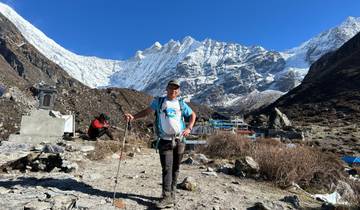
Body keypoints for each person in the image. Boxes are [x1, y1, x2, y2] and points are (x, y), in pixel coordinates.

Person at [124, 79, 196, 208]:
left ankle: (172, 194)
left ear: (178, 91)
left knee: (175, 168)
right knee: (167, 168)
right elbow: (147, 111)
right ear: (166, 89)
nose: (173, 90)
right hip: (164, 140)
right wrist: (133, 117)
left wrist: (189, 128)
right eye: (171, 87)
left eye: (176, 88)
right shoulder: (160, 101)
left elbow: (192, 115)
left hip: (180, 140)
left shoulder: (181, 103)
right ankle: (166, 196)